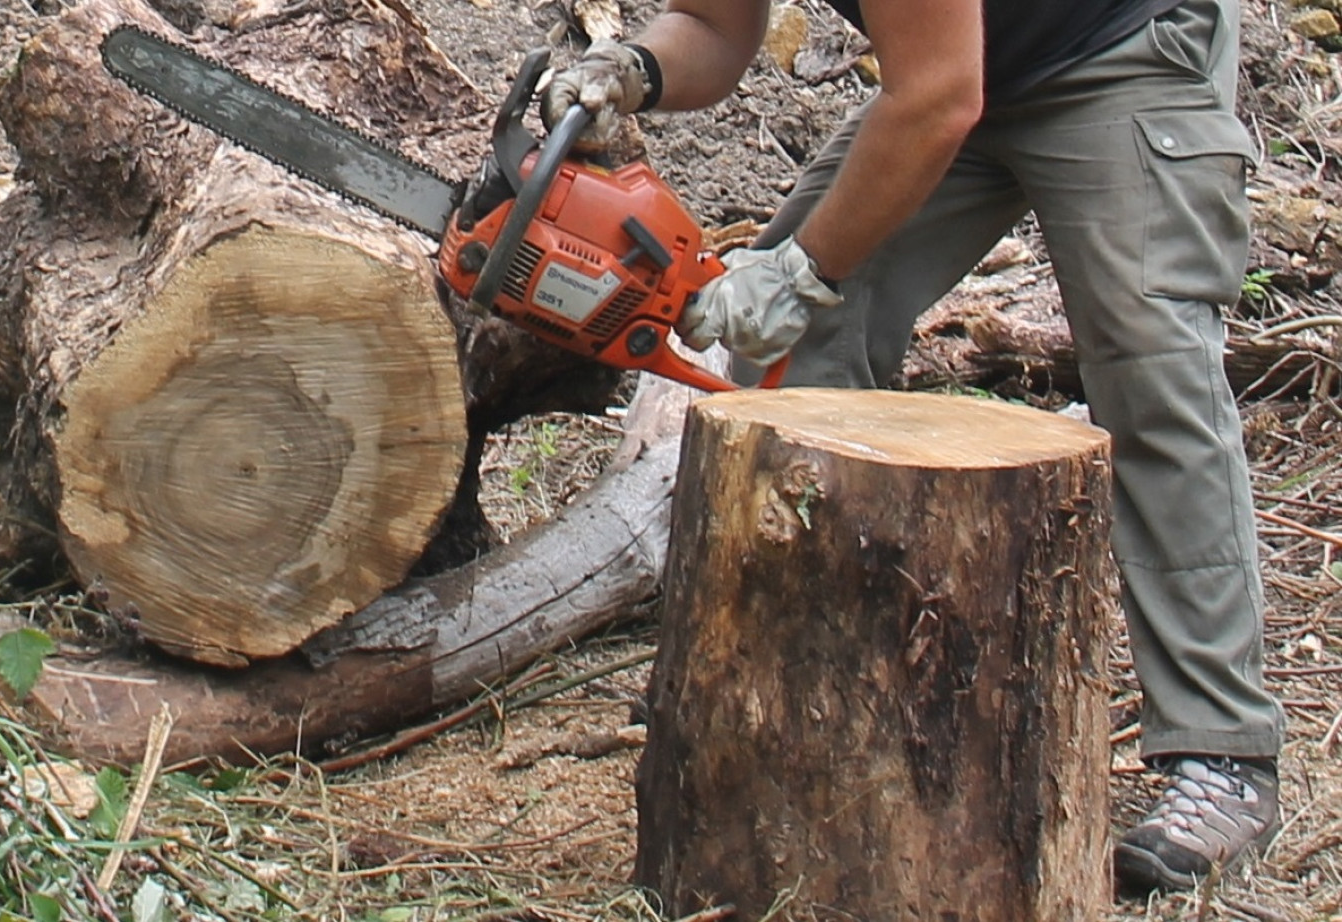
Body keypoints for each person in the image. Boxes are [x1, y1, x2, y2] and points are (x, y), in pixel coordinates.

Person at [544, 0, 1287, 895]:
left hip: (1118, 49)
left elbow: (937, 99)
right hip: (965, 66)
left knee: (1148, 366)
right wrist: (633, 70)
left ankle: (1223, 751)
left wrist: (802, 271)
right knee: (797, 351)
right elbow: (713, 25)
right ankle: (818, 679)